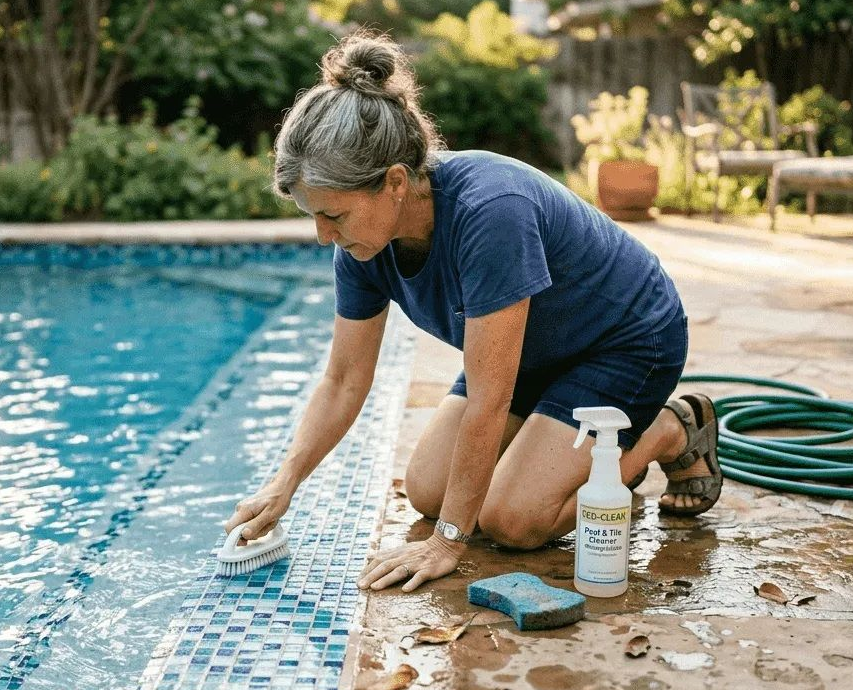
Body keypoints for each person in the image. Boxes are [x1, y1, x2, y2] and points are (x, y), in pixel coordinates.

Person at [223, 31, 721, 594]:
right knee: (428, 490)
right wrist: (284, 483)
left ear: (395, 182)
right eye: (312, 215)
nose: (322, 235)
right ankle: (567, 450)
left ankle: (666, 430)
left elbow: (489, 399)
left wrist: (448, 542)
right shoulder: (362, 244)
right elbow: (342, 381)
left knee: (513, 519)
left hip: (625, 341)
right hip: (533, 351)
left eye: (333, 215)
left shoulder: (490, 211)